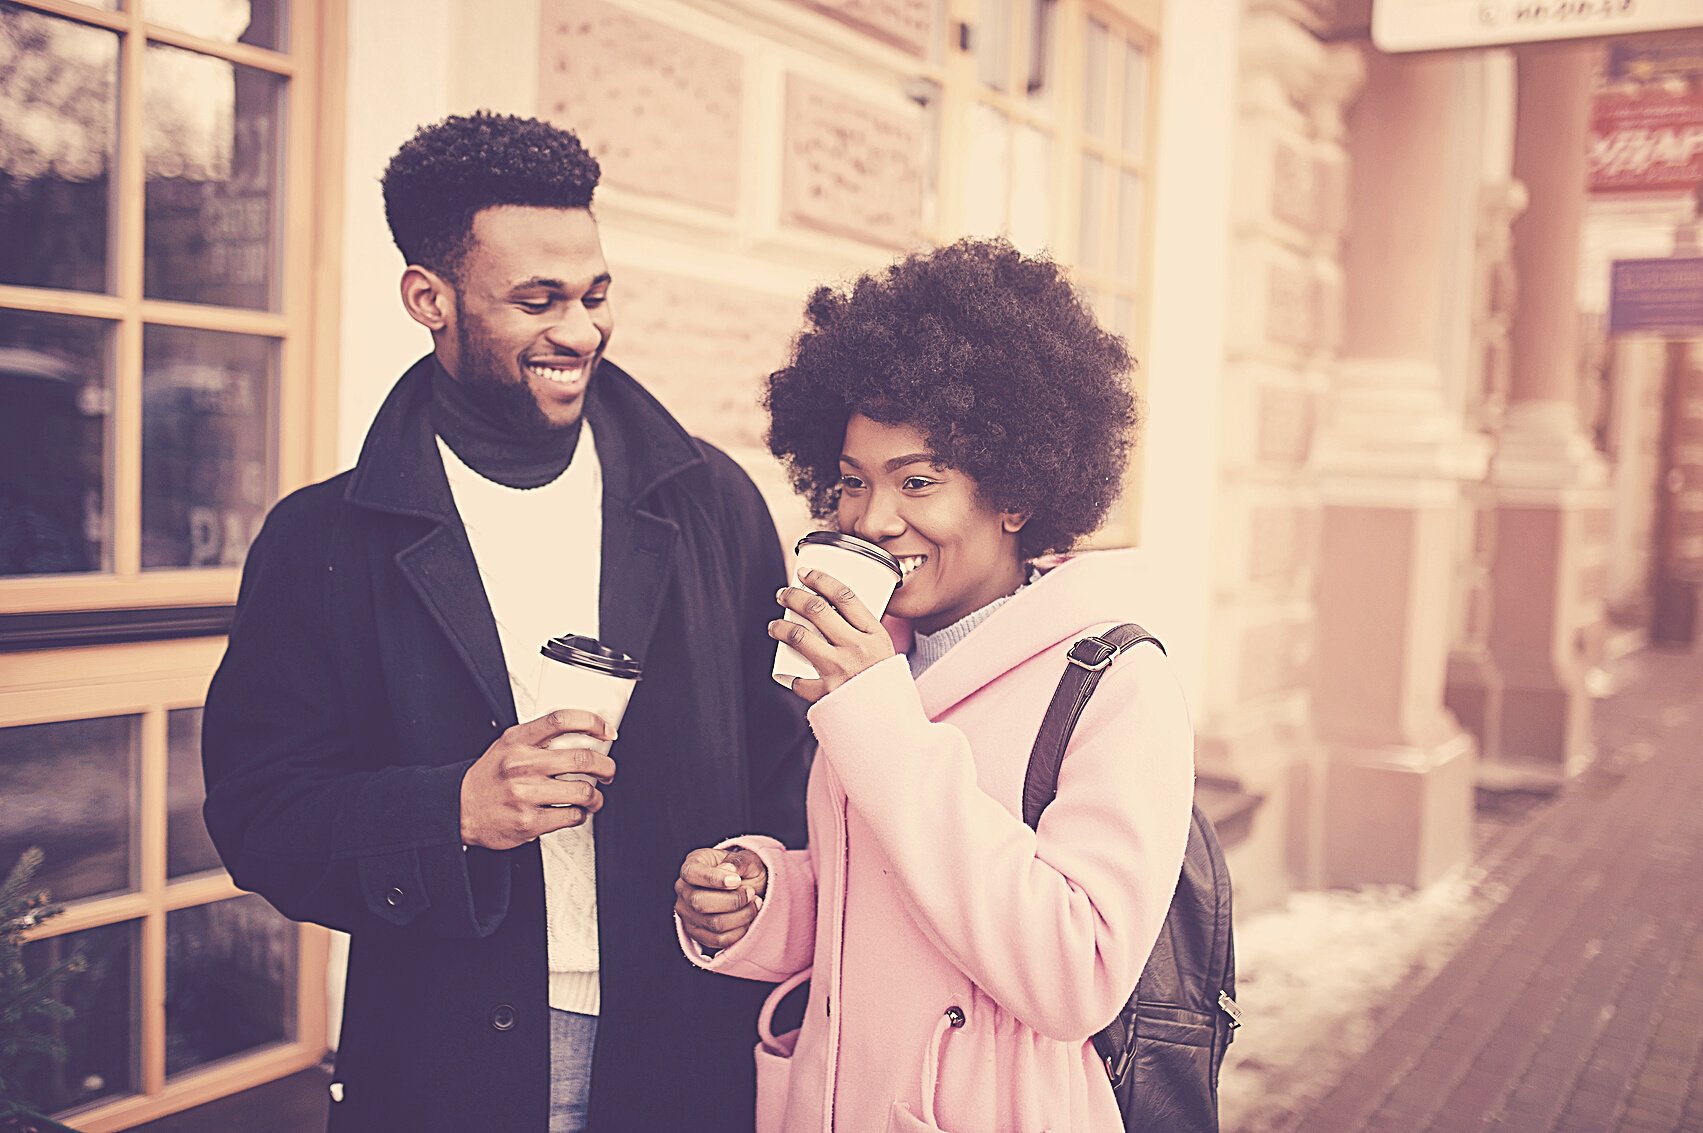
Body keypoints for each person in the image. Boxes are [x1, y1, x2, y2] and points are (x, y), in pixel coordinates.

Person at [201, 112, 810, 1133]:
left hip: (687, 1051)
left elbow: (784, 757)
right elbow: (260, 816)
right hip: (442, 1070)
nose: (578, 331)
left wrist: (760, 876)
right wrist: (451, 811)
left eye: (594, 294)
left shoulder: (714, 499)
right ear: (427, 298)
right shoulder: (317, 540)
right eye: (536, 301)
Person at [674, 237, 1196, 1132]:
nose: (874, 520)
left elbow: (1076, 974)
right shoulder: (887, 658)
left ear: (1016, 494)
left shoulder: (1114, 682)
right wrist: (766, 899)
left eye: (918, 481)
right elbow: (889, 905)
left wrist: (874, 717)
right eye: (850, 483)